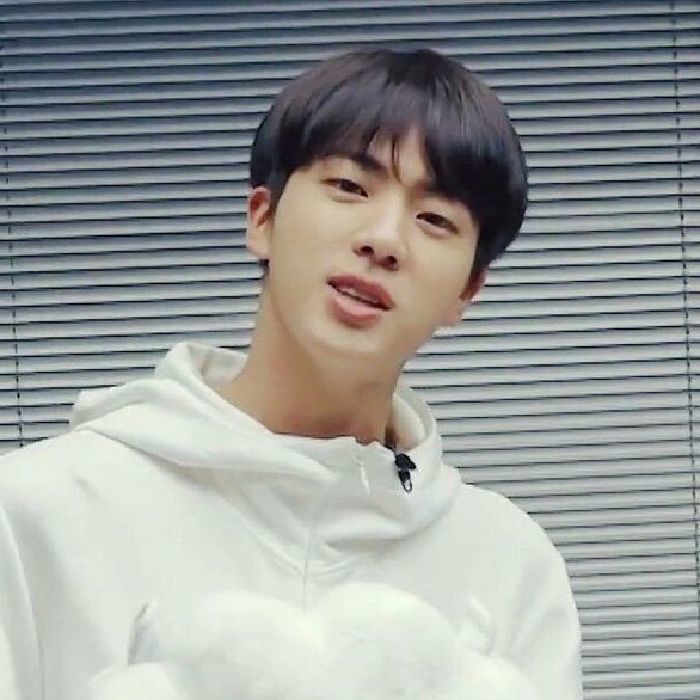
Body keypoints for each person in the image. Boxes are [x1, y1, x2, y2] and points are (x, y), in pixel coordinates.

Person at [0, 47, 582, 700]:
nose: (384, 239)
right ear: (263, 218)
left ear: (466, 292)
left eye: (435, 220)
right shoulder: (37, 513)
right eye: (350, 187)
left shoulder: (510, 568)